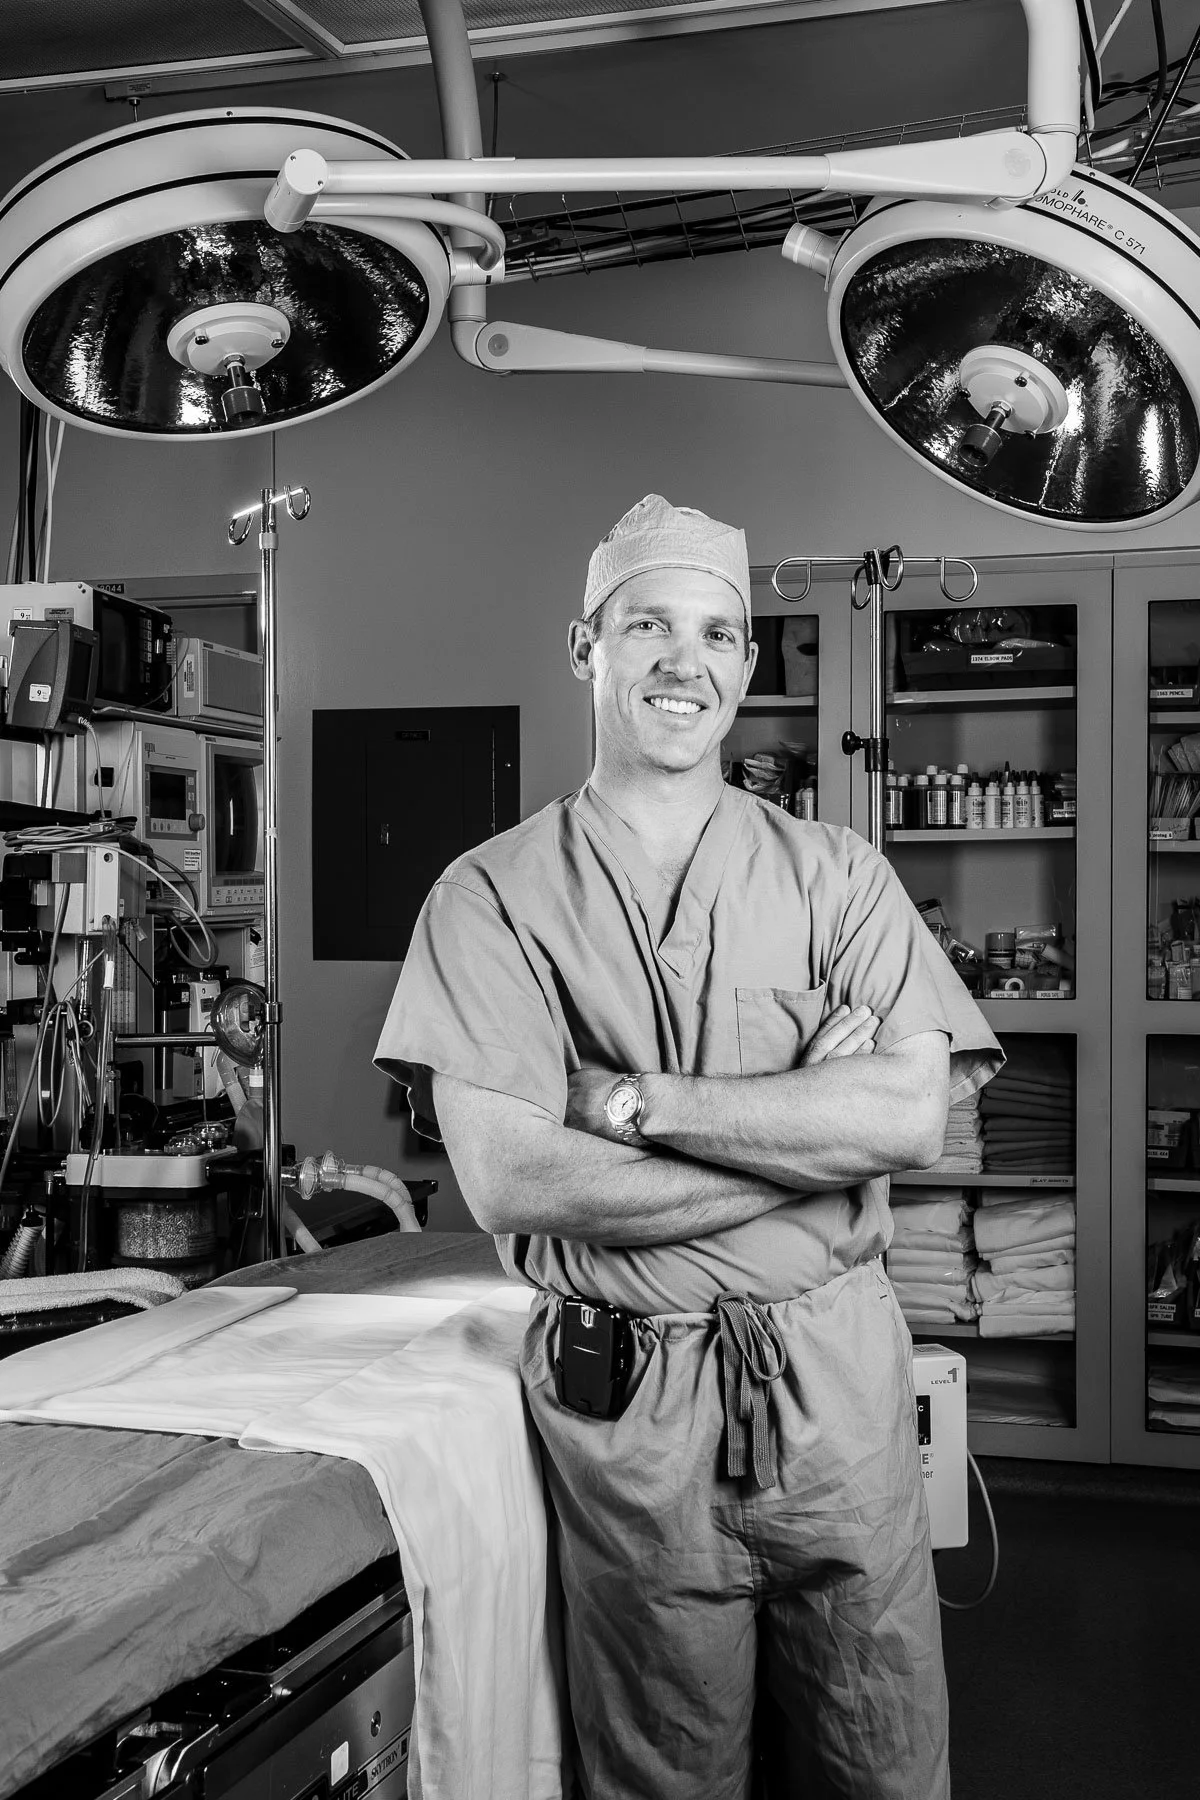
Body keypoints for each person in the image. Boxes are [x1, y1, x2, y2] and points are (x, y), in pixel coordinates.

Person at [375, 494, 1001, 1800]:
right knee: (667, 1775)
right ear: (582, 647)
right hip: (632, 1426)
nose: (685, 661)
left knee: (882, 1766)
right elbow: (508, 1175)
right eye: (648, 625)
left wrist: (628, 1105)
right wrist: (802, 1142)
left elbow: (908, 1118)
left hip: (839, 1402)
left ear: (749, 666)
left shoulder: (838, 875)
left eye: (719, 634)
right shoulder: (489, 896)